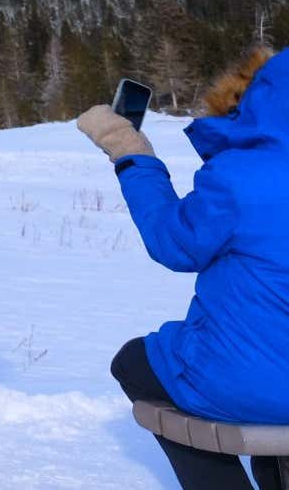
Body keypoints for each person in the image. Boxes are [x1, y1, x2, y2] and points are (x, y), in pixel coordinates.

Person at [81, 48, 289, 490]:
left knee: (135, 363)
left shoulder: (241, 177)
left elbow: (173, 244)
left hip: (243, 380)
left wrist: (130, 152)